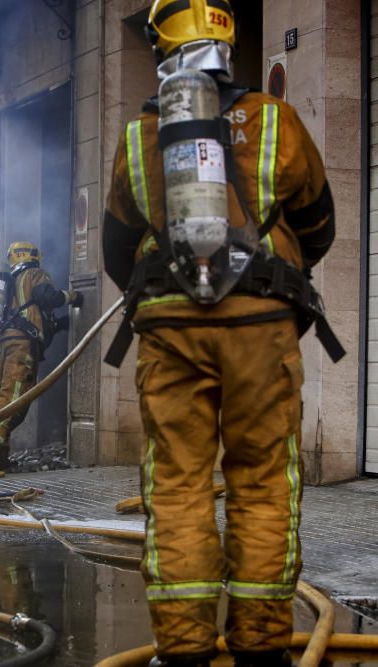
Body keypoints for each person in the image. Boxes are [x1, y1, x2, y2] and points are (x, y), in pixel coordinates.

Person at [103, 2, 338, 665]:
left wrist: (174, 290)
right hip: (261, 326)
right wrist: (275, 274)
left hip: (169, 330)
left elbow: (116, 252)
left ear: (161, 50)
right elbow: (319, 222)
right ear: (228, 45)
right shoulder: (274, 122)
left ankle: (184, 652)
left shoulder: (138, 137)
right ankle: (262, 648)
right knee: (263, 481)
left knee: (176, 487)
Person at [0, 241, 82, 471]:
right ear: (33, 256)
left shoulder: (9, 282)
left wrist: (60, 324)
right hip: (22, 346)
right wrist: (72, 296)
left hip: (4, 344)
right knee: (14, 400)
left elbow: (32, 314)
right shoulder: (34, 273)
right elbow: (47, 297)